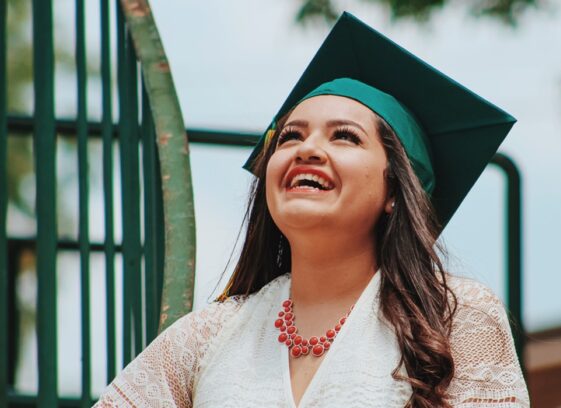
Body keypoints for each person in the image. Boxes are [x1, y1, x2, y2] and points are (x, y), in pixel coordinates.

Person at [94, 12, 530, 408]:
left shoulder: (455, 318)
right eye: (289, 137)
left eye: (344, 136)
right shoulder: (208, 337)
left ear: (395, 189)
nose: (308, 149)